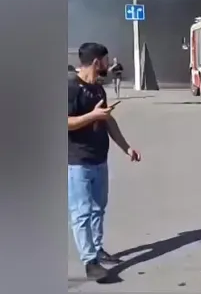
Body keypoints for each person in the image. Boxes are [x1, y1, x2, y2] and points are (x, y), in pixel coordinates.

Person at [68, 43, 142, 281]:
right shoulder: (71, 88)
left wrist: (126, 147)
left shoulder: (98, 90)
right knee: (81, 213)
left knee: (98, 208)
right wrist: (92, 116)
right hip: (77, 162)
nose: (109, 64)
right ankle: (90, 262)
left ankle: (98, 249)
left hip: (100, 159)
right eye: (106, 60)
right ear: (95, 61)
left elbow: (108, 122)